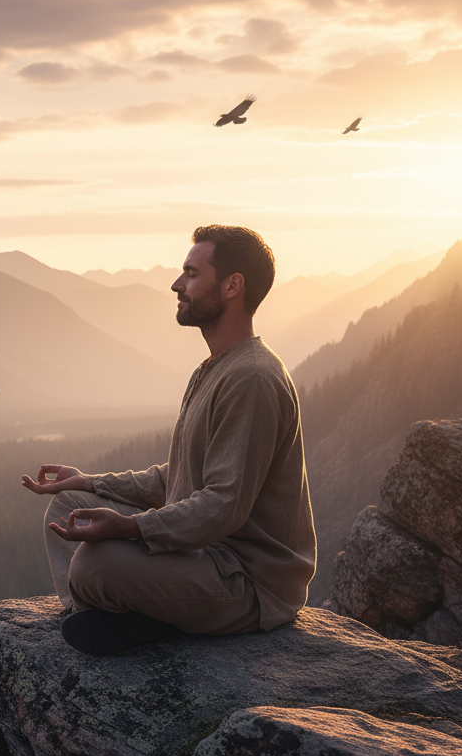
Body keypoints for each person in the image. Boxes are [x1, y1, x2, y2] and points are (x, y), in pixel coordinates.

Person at [21, 225, 315, 656]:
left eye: (191, 274)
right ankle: (113, 612)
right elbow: (178, 478)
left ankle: (132, 611)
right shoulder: (214, 369)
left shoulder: (251, 378)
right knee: (69, 508)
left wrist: (130, 528)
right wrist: (90, 483)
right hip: (205, 553)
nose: (177, 284)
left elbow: (223, 504)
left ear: (233, 286)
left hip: (246, 580)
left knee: (93, 563)